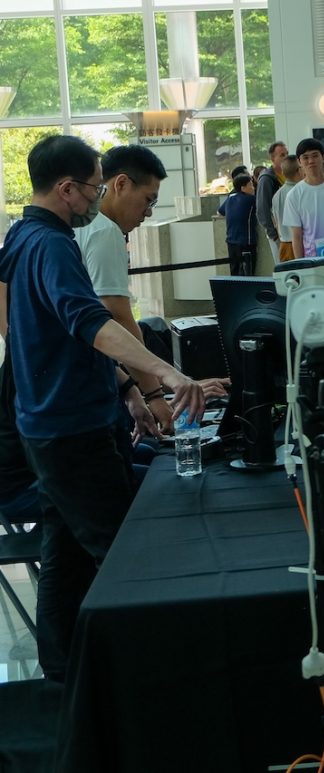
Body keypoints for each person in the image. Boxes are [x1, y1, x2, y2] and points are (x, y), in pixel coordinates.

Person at [0, 135, 204, 681]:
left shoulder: (19, 236)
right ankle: (140, 677)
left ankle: (64, 674)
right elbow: (91, 322)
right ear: (66, 189)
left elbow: (33, 327)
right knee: (121, 552)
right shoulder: (51, 244)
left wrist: (125, 388)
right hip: (70, 429)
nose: (97, 197)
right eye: (92, 186)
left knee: (64, 557)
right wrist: (163, 373)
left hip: (50, 422)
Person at [74, 144, 175, 436]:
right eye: (148, 200)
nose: (148, 213)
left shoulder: (78, 224)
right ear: (121, 183)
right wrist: (154, 394)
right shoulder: (104, 230)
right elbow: (116, 315)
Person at [283, 137, 324, 259]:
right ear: (299, 162)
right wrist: (302, 265)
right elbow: (296, 237)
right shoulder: (294, 195)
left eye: (315, 156)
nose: (311, 161)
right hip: (314, 260)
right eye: (305, 157)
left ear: (323, 157)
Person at [217, 173, 258, 276]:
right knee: (248, 274)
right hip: (246, 243)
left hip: (231, 242)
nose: (253, 188)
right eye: (251, 185)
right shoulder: (252, 200)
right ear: (243, 188)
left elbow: (220, 212)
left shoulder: (230, 198)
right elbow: (264, 210)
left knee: (234, 274)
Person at [256, 141, 288, 259]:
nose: (286, 157)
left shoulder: (289, 175)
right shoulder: (266, 179)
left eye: (287, 154)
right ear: (272, 158)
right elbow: (262, 209)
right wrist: (274, 235)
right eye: (282, 155)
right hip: (278, 233)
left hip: (290, 230)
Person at [270, 155, 302, 262]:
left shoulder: (277, 195)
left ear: (283, 173)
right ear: (299, 170)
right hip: (300, 245)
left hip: (284, 245)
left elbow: (274, 220)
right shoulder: (300, 192)